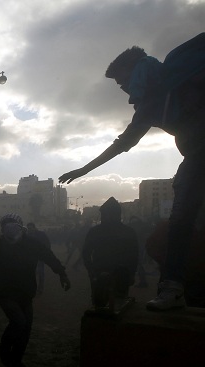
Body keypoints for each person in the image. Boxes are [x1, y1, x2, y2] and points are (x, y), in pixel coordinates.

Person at [59, 36, 205, 311]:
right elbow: (122, 144)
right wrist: (83, 170)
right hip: (196, 155)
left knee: (181, 218)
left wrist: (83, 169)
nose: (123, 88)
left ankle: (172, 287)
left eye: (120, 81)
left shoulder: (165, 86)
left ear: (134, 68)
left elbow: (121, 145)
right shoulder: (159, 92)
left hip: (199, 154)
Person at [0, 213, 71, 367]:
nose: (11, 230)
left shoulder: (31, 244)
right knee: (19, 322)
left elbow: (48, 256)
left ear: (21, 228)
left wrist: (61, 272)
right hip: (5, 292)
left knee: (25, 330)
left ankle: (16, 362)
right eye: (7, 227)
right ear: (3, 230)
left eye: (14, 226)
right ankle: (4, 351)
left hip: (26, 293)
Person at [81, 197, 139, 311]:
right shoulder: (127, 231)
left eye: (109, 214)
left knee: (116, 306)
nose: (106, 217)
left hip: (117, 274)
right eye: (105, 215)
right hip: (102, 273)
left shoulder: (97, 231)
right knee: (101, 306)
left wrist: (131, 274)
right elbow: (86, 253)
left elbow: (134, 255)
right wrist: (91, 271)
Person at [26, 222, 51, 295]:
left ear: (34, 227)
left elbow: (47, 243)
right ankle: (34, 287)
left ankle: (40, 288)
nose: (29, 230)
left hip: (40, 256)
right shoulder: (28, 235)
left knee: (41, 273)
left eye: (30, 228)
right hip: (31, 257)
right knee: (33, 273)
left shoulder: (41, 234)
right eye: (28, 228)